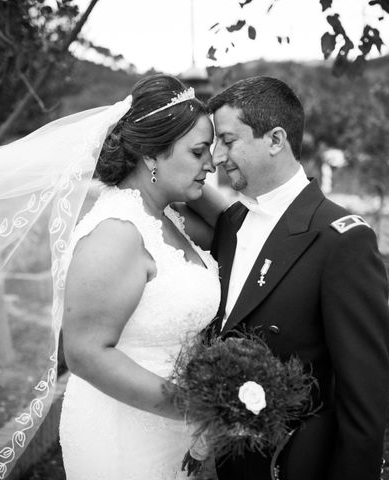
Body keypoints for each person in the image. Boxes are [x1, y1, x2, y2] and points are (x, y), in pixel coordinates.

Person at [207, 76, 389, 480]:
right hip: (232, 461)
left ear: (275, 139)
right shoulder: (230, 223)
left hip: (295, 464)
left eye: (228, 140)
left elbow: (364, 398)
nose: (217, 157)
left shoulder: (343, 240)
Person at [58, 74, 229, 480]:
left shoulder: (168, 214)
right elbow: (84, 353)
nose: (212, 163)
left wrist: (187, 170)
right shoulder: (116, 233)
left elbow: (232, 227)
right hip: (123, 435)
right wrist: (196, 408)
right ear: (152, 156)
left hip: (167, 427)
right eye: (199, 151)